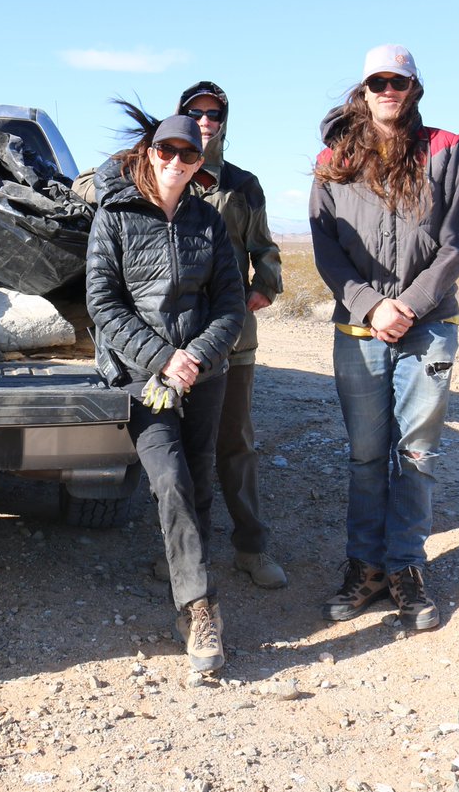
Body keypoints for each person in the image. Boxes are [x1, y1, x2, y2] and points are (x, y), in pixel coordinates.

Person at [310, 45, 459, 631]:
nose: (388, 90)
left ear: (413, 88)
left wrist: (406, 305)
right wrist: (370, 305)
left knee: (417, 454)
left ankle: (406, 568)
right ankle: (366, 569)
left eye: (398, 81)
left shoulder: (447, 149)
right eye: (377, 81)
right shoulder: (333, 160)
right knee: (364, 455)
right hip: (358, 329)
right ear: (363, 89)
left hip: (427, 327)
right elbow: (326, 247)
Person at [87, 106, 244, 672]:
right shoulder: (116, 216)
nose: (176, 161)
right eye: (166, 151)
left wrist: (196, 356)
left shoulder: (209, 221)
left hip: (204, 372)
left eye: (188, 154)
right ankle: (199, 608)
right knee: (170, 477)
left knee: (200, 475)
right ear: (149, 155)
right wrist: (162, 360)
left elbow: (230, 303)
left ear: (200, 162)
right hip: (142, 374)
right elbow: (103, 303)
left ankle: (185, 567)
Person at [176, 81, 286, 590]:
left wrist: (261, 289)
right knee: (180, 452)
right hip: (171, 346)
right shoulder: (161, 177)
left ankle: (251, 548)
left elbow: (266, 254)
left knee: (234, 446)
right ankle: (187, 559)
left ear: (223, 121)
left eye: (213, 113)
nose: (204, 119)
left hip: (232, 344)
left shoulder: (242, 185)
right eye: (194, 112)